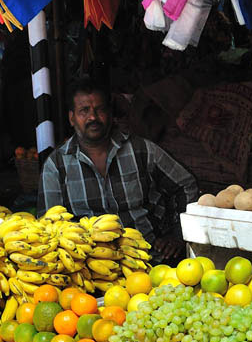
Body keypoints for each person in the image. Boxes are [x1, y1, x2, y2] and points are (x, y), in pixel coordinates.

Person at [39, 78, 199, 261]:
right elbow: (49, 225)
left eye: (99, 109)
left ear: (110, 113)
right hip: (91, 266)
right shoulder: (56, 166)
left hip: (150, 258)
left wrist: (178, 234)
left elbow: (186, 185)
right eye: (84, 110)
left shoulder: (142, 150)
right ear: (71, 118)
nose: (93, 117)